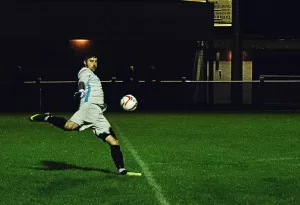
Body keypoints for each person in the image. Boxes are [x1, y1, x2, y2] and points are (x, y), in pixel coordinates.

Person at [30, 53, 136, 176]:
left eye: (96, 61)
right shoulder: (85, 71)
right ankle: (47, 117)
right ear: (85, 62)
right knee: (69, 127)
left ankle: (122, 170)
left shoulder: (94, 75)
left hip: (98, 113)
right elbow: (82, 82)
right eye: (91, 61)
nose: (94, 63)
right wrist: (81, 90)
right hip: (89, 108)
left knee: (114, 141)